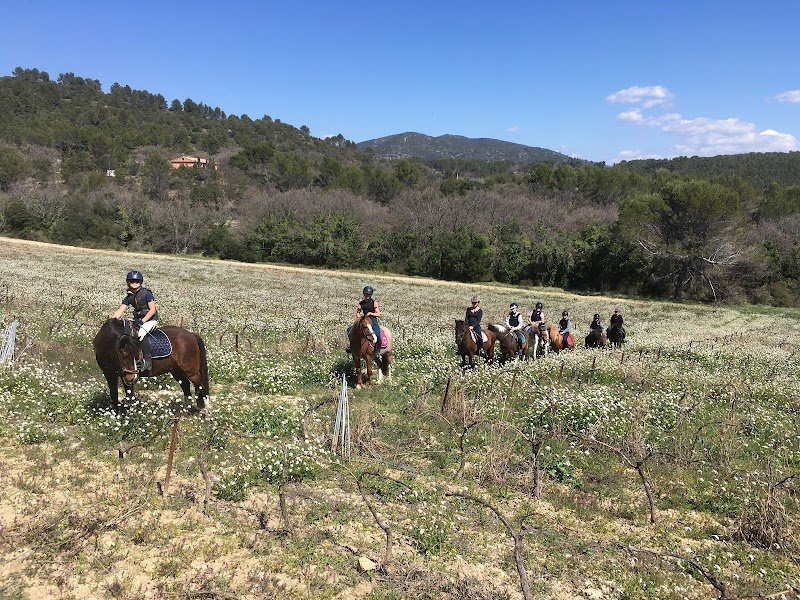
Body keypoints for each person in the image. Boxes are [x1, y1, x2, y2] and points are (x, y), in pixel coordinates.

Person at [111, 270, 158, 371]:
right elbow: (121, 310)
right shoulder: (129, 297)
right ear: (128, 282)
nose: (134, 283)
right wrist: (112, 321)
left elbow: (152, 310)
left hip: (150, 320)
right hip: (138, 320)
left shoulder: (147, 293)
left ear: (141, 282)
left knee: (141, 333)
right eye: (132, 281)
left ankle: (147, 361)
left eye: (137, 281)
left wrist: (143, 320)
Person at [346, 285, 382, 355]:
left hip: (372, 320)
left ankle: (377, 350)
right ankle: (351, 346)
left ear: (371, 295)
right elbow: (357, 312)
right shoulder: (361, 303)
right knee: (350, 330)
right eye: (366, 294)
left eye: (368, 294)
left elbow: (379, 314)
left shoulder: (374, 303)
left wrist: (371, 313)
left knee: (377, 334)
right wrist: (359, 318)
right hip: (364, 320)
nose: (367, 296)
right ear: (363, 294)